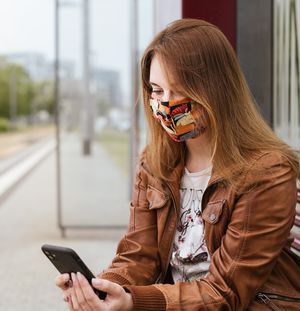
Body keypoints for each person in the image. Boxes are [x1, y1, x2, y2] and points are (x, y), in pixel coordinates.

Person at [55, 18, 300, 310]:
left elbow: (226, 293)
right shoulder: (154, 162)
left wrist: (134, 302)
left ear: (217, 90)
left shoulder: (267, 172)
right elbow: (138, 255)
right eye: (157, 91)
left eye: (180, 89)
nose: (166, 104)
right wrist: (104, 289)